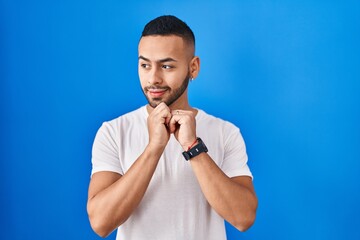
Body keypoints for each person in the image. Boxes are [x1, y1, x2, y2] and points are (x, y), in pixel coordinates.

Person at [87, 15, 257, 240]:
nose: (153, 78)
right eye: (145, 65)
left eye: (166, 66)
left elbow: (243, 217)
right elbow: (100, 223)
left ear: (193, 67)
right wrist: (154, 148)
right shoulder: (113, 131)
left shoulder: (225, 132)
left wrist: (192, 146)